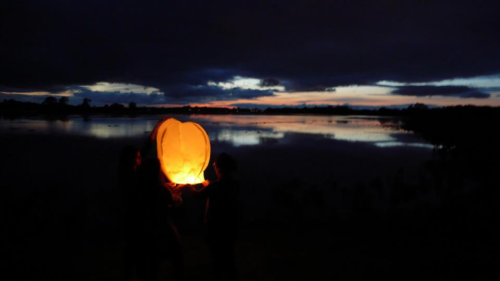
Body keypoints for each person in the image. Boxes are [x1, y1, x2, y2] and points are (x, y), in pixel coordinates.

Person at [177, 153, 240, 281]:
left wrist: (189, 187)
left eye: (215, 166)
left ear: (219, 168)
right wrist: (209, 185)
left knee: (216, 258)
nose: (214, 168)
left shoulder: (214, 187)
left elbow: (198, 196)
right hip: (230, 226)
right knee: (229, 256)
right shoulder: (234, 185)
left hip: (215, 227)